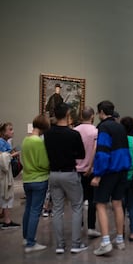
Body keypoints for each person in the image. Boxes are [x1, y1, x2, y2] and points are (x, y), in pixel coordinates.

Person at [43, 102, 87, 254]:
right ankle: (76, 244)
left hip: (54, 174)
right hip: (69, 173)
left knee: (57, 210)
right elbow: (81, 154)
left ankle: (60, 245)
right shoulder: (73, 134)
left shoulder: (48, 133)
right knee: (76, 207)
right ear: (68, 115)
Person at [91, 100, 131, 256]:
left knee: (100, 204)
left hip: (108, 171)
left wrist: (98, 175)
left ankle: (106, 241)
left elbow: (102, 152)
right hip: (122, 169)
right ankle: (120, 239)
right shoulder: (120, 126)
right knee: (117, 204)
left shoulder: (103, 127)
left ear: (101, 112)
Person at [21, 115, 50, 252]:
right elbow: (43, 163)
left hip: (27, 179)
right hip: (39, 179)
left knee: (28, 209)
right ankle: (31, 243)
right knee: (35, 211)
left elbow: (22, 160)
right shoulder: (38, 142)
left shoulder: (25, 140)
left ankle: (26, 237)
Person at [74, 106, 100, 238]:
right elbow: (96, 150)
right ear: (92, 116)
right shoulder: (96, 131)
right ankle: (91, 227)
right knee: (92, 200)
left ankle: (78, 225)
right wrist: (90, 165)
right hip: (92, 170)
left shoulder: (74, 131)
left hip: (77, 170)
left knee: (77, 201)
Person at [0, 122, 21, 229]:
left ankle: (5, 218)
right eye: (10, 129)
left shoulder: (5, 142)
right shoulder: (0, 142)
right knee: (6, 196)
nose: (12, 131)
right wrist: (15, 154)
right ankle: (7, 221)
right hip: (3, 175)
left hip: (6, 174)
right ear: (4, 132)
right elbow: (3, 158)